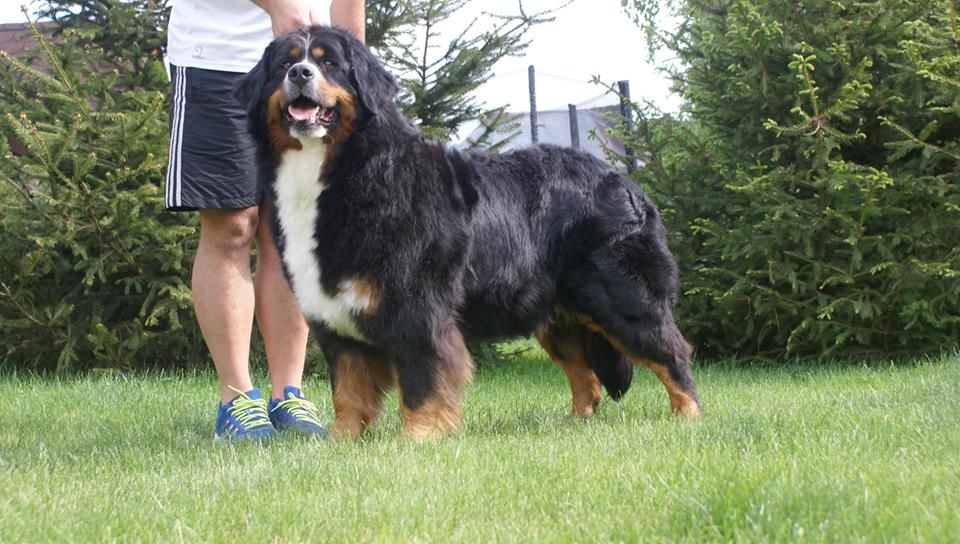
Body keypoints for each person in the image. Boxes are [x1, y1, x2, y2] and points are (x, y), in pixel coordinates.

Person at [164, 0, 365, 439]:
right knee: (232, 226)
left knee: (287, 232)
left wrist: (355, 66)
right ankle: (236, 398)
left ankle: (288, 394)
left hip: (314, 69)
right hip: (218, 59)